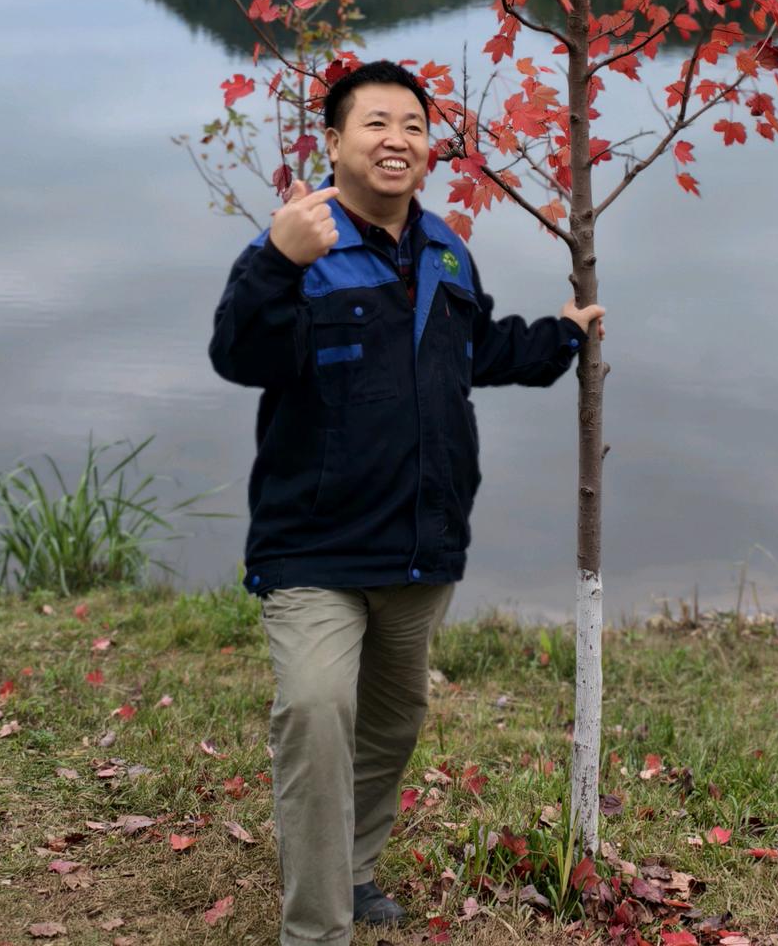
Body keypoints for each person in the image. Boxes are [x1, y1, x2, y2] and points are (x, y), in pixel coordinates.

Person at [209, 60, 604, 946]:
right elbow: (239, 354)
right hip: (313, 546)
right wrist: (277, 261)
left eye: (414, 127)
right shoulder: (299, 242)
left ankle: (351, 867)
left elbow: (473, 348)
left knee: (392, 720)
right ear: (336, 141)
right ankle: (318, 930)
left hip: (423, 541)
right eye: (376, 124)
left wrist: (560, 339)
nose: (398, 141)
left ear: (429, 150)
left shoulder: (445, 247)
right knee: (316, 713)